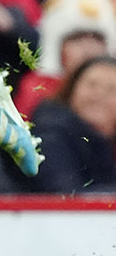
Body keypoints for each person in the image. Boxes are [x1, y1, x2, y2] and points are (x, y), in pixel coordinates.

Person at [31, 56, 116, 193]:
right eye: (92, 85)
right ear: (71, 89)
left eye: (111, 89)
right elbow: (67, 195)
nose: (99, 95)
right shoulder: (49, 134)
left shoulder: (103, 143)